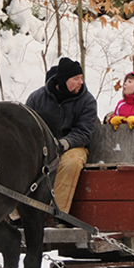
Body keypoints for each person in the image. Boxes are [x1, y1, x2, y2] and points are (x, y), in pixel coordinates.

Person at [25, 57, 97, 214]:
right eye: (76, 79)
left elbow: (84, 132)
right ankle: (17, 214)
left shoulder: (87, 101)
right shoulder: (37, 98)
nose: (81, 82)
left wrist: (64, 143)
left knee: (71, 163)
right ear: (63, 80)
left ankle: (55, 212)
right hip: (41, 145)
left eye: (81, 78)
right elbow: (26, 126)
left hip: (73, 145)